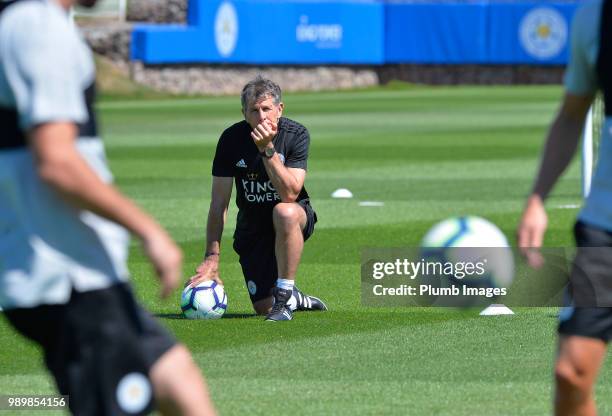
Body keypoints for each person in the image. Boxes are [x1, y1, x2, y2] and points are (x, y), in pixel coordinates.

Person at [0, 0, 216, 414]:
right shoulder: (37, 27)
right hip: (64, 277)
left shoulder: (35, 23)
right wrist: (148, 230)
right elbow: (58, 162)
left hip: (84, 271)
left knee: (178, 380)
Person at [517, 0, 612, 414]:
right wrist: (538, 197)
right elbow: (573, 114)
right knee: (570, 372)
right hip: (605, 226)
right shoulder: (595, 17)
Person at [187, 76, 327, 321]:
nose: (261, 117)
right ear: (244, 113)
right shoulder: (231, 140)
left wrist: (267, 149)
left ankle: (284, 298)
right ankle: (295, 298)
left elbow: (290, 194)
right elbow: (219, 203)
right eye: (254, 110)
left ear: (279, 109)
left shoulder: (296, 135)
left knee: (284, 211)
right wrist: (212, 257)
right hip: (252, 226)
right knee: (263, 306)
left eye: (266, 109)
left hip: (292, 217)